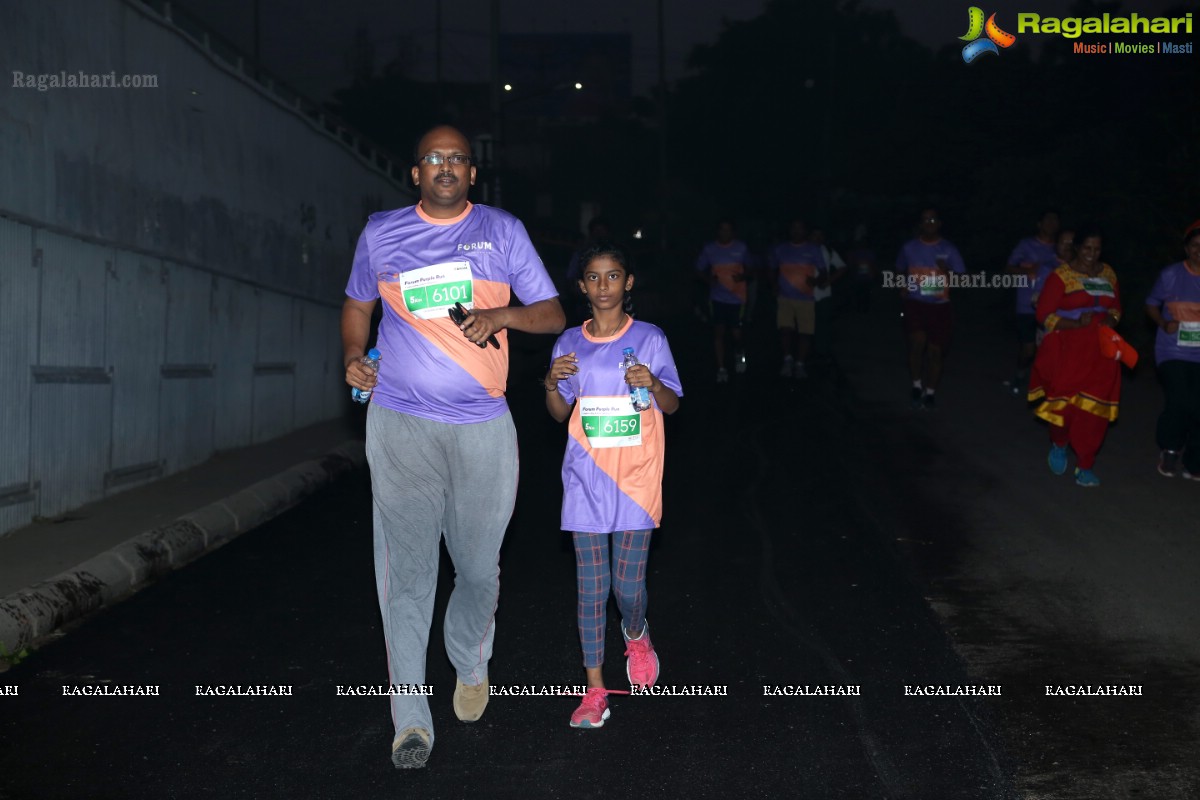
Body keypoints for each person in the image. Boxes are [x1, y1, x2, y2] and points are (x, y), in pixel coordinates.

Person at [342, 124, 565, 769]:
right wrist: (355, 354)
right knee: (406, 578)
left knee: (476, 569)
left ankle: (469, 657)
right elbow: (357, 305)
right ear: (415, 173)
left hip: (482, 430)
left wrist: (500, 317)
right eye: (433, 158)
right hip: (400, 422)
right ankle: (410, 719)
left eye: (457, 158)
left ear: (473, 173)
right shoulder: (382, 233)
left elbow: (551, 312)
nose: (445, 166)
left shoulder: (502, 231)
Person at [543, 242, 682, 728]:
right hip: (585, 477)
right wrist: (549, 384)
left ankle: (637, 632)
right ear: (582, 287)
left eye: (613, 276)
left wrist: (654, 383)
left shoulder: (649, 338)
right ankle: (595, 690)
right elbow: (560, 412)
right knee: (590, 589)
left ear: (628, 283)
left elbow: (671, 405)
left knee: (627, 589)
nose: (604, 286)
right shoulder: (567, 342)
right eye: (594, 278)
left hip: (637, 480)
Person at [1028, 225, 1122, 487]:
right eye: (1087, 247)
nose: (1092, 253)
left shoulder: (1108, 274)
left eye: (1097, 248)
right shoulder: (1061, 276)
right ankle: (1059, 443)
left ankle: (1085, 464)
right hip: (1066, 348)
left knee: (1095, 410)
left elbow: (1115, 308)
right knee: (1065, 406)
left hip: (1100, 350)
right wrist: (1076, 324)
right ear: (1077, 248)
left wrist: (1112, 322)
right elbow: (1043, 315)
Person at [895, 208, 966, 410]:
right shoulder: (909, 247)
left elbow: (962, 278)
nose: (929, 222)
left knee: (935, 352)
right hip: (915, 303)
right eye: (925, 219)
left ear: (939, 223)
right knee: (917, 342)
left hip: (940, 306)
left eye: (933, 219)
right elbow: (900, 268)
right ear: (920, 224)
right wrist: (901, 285)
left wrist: (947, 271)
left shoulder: (949, 249)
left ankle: (930, 392)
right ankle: (917, 384)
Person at [1145, 220, 1200, 479]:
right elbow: (1151, 303)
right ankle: (1169, 448)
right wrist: (1163, 322)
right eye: (1195, 245)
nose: (1199, 250)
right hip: (1172, 351)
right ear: (1186, 248)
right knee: (1179, 400)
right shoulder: (1170, 275)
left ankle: (1194, 460)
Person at [1003, 211, 1061, 396]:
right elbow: (1008, 269)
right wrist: (1026, 271)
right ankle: (1020, 375)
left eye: (1055, 220)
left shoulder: (1061, 249)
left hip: (1053, 307)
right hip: (1026, 304)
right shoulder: (1026, 245)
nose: (1051, 223)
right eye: (1048, 219)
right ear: (1039, 223)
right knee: (1028, 349)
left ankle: (1045, 386)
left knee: (1048, 349)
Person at [696, 220, 754, 382]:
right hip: (717, 298)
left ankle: (740, 355)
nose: (725, 233)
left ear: (733, 232)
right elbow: (699, 269)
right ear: (718, 232)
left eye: (728, 230)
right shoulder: (710, 249)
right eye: (722, 230)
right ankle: (721, 368)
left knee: (737, 334)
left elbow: (751, 268)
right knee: (718, 332)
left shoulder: (741, 248)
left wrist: (743, 276)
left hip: (737, 298)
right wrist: (709, 280)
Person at [768, 218, 826, 379]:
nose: (796, 231)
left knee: (805, 333)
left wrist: (816, 280)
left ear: (805, 231)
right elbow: (772, 269)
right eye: (794, 228)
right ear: (790, 230)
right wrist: (773, 284)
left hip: (806, 298)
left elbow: (823, 271)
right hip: (785, 297)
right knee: (786, 330)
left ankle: (800, 363)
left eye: (800, 228)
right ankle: (787, 360)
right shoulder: (780, 249)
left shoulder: (813, 249)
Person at [809, 226, 847, 365]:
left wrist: (827, 282)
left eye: (820, 235)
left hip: (823, 295)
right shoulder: (803, 250)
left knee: (822, 326)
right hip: (804, 295)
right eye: (815, 235)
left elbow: (842, 267)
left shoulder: (828, 251)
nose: (818, 238)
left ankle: (821, 353)